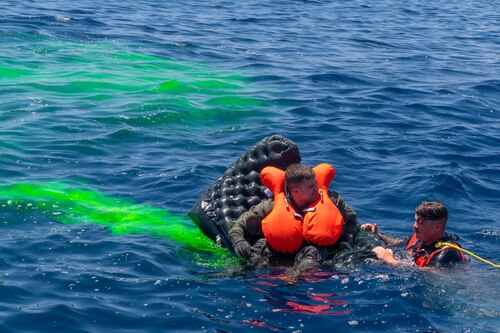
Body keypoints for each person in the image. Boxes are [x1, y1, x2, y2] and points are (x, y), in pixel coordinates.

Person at [229, 163, 394, 273]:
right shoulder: (272, 205)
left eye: (315, 183)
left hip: (315, 250)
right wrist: (238, 240)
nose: (317, 188)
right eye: (311, 187)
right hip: (280, 248)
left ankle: (294, 277)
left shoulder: (332, 200)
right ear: (295, 191)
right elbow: (238, 225)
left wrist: (347, 240)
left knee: (314, 254)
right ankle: (234, 273)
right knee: (257, 250)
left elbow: (352, 221)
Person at [361, 201, 467, 267]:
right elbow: (400, 243)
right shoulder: (420, 237)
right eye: (415, 221)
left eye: (420, 222)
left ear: (437, 227)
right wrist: (378, 235)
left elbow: (426, 276)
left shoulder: (447, 254)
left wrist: (388, 259)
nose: (414, 226)